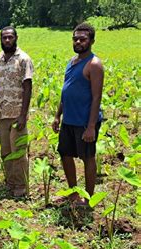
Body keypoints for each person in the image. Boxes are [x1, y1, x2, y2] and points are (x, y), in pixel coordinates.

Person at [52, 23, 104, 205]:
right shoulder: (72, 61)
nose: (78, 42)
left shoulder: (94, 64)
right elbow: (66, 92)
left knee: (87, 157)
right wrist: (58, 115)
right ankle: (73, 192)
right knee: (65, 154)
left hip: (84, 121)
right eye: (75, 38)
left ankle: (88, 198)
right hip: (69, 119)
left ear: (91, 41)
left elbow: (96, 97)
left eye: (83, 39)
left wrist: (91, 127)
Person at [0, 26, 34, 197]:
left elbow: (27, 87)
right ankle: (10, 182)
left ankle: (21, 186)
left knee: (19, 151)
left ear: (16, 38)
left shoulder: (23, 59)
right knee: (6, 151)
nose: (7, 40)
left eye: (10, 37)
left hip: (17, 114)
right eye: (4, 38)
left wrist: (23, 114)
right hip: (2, 114)